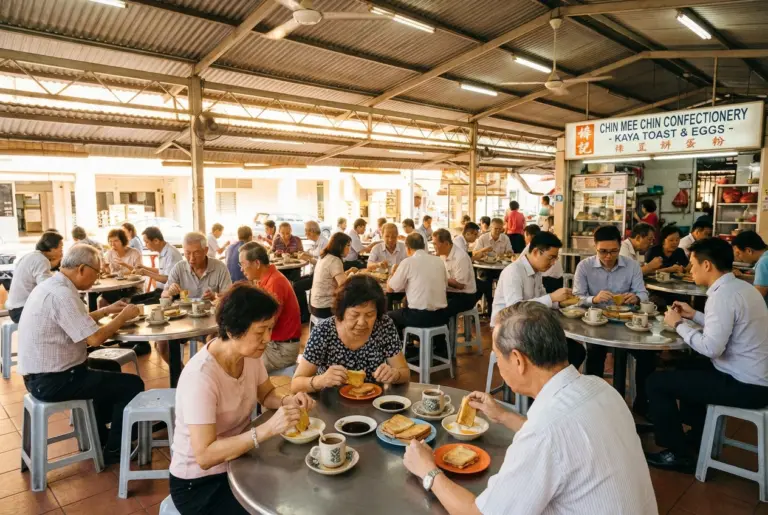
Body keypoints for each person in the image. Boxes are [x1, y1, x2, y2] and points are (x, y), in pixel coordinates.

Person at [402, 302, 657, 515]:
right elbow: (566, 444)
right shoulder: (600, 388)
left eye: (497, 356)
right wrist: (503, 415)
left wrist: (429, 472)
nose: (498, 364)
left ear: (517, 360)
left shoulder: (545, 431)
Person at [169, 283, 315, 515]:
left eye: (270, 328)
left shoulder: (250, 356)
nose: (268, 338)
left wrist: (288, 400)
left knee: (301, 486)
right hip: (199, 485)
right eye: (260, 331)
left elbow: (266, 395)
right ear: (232, 330)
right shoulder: (201, 377)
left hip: (240, 460)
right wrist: (267, 429)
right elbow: (205, 456)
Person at [18, 244, 144, 465]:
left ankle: (100, 437)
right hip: (54, 380)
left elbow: (75, 322)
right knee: (132, 385)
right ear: (82, 269)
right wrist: (122, 317)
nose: (97, 279)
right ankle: (116, 448)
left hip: (40, 376)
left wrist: (106, 311)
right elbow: (94, 339)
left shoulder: (53, 285)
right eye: (96, 273)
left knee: (110, 368)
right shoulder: (63, 294)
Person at [651, 238, 768, 472]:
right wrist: (693, 315)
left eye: (692, 264)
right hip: (754, 376)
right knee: (684, 367)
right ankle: (697, 435)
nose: (689, 270)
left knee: (656, 383)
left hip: (746, 386)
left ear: (707, 265)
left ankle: (676, 453)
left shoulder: (722, 295)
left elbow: (712, 348)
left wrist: (677, 325)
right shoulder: (740, 287)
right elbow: (725, 327)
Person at [573, 225, 653, 415]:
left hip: (627, 323)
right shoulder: (584, 266)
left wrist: (637, 298)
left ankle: (642, 403)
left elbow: (642, 292)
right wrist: (593, 299)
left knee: (648, 357)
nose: (608, 256)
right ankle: (594, 404)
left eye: (614, 251)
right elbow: (576, 297)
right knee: (594, 354)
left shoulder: (631, 265)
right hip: (597, 322)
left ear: (620, 246)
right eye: (603, 251)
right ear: (595, 247)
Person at [292, 275, 409, 392]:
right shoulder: (323, 332)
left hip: (372, 399)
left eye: (370, 315)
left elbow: (404, 373)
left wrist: (395, 374)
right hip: (331, 402)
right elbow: (296, 384)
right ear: (342, 312)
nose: (362, 322)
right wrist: (321, 380)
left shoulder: (384, 325)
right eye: (355, 315)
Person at [492, 232, 585, 369]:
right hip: (507, 330)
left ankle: (550, 387)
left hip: (527, 327)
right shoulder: (514, 271)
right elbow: (515, 309)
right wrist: (552, 297)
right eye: (551, 258)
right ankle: (544, 387)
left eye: (555, 258)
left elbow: (539, 299)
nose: (553, 263)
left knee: (575, 349)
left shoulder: (536, 272)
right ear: (536, 252)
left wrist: (559, 302)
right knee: (569, 352)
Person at [160, 233, 233, 364]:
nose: (191, 258)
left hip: (210, 321)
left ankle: (207, 375)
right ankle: (182, 375)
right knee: (162, 344)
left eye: (196, 253)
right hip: (182, 320)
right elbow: (164, 295)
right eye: (187, 253)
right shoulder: (179, 268)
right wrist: (170, 292)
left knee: (214, 341)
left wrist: (215, 297)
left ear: (205, 250)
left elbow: (229, 298)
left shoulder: (219, 268)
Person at [239, 243, 301, 372]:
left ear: (256, 263)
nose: (241, 269)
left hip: (281, 349)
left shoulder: (275, 283)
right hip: (274, 344)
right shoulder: (268, 278)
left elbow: (266, 323)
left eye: (243, 264)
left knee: (240, 365)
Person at [387, 233, 449, 333]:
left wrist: (392, 274)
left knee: (389, 317)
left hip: (419, 317)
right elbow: (445, 285)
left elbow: (391, 288)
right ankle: (432, 346)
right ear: (424, 246)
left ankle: (402, 347)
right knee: (405, 308)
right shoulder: (439, 261)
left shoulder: (408, 262)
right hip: (441, 316)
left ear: (407, 248)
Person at [6, 231, 63, 323]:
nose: (62, 251)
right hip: (21, 310)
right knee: (61, 315)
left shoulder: (32, 256)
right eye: (61, 247)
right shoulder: (41, 260)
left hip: (15, 309)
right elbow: (47, 287)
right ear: (52, 248)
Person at [310, 232, 357, 319]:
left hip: (315, 304)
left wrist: (349, 272)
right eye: (348, 245)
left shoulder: (325, 256)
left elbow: (332, 277)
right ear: (340, 246)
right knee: (354, 307)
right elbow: (344, 285)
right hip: (325, 307)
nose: (349, 249)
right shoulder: (335, 260)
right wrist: (354, 276)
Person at [133, 226, 183, 303]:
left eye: (147, 242)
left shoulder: (171, 253)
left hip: (170, 294)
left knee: (135, 304)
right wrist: (143, 267)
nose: (145, 245)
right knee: (133, 299)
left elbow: (167, 279)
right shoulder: (163, 251)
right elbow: (161, 272)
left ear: (156, 241)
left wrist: (145, 272)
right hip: (160, 291)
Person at [433, 228, 477, 316]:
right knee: (428, 303)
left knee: (440, 310)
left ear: (446, 244)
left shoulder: (461, 257)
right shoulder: (442, 255)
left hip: (465, 296)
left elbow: (460, 285)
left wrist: (441, 278)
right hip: (450, 293)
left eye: (435, 244)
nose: (433, 246)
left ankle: (446, 330)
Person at [294, 220, 328, 323]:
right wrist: (306, 254)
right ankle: (303, 313)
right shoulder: (317, 242)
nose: (305, 233)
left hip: (321, 275)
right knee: (296, 281)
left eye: (306, 231)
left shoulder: (324, 242)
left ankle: (305, 315)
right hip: (315, 273)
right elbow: (313, 253)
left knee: (297, 286)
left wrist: (308, 258)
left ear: (312, 231)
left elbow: (324, 265)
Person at [732, 230, 768, 305]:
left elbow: (760, 292)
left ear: (749, 251)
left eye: (738, 253)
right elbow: (764, 281)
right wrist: (742, 276)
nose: (738, 258)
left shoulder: (763, 262)